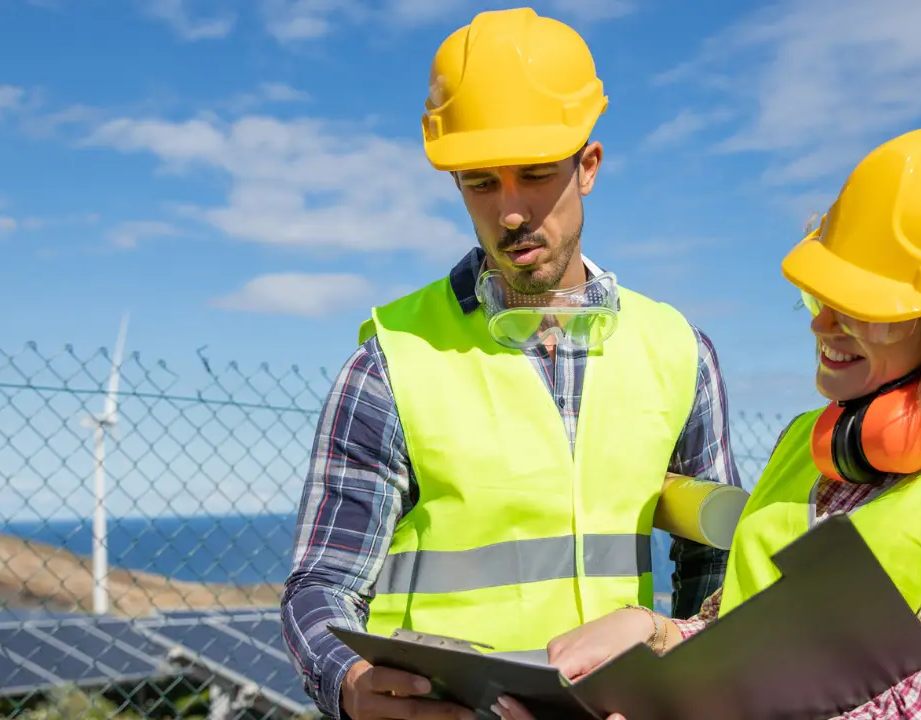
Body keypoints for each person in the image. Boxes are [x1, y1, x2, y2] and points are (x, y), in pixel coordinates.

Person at [493, 125, 921, 720]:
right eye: (822, 299)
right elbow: (747, 634)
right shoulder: (803, 446)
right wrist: (657, 631)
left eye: (862, 309)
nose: (821, 326)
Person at [279, 7, 742, 720]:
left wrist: (683, 689)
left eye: (535, 174)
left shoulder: (680, 351)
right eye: (481, 183)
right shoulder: (391, 364)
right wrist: (349, 683)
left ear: (588, 166)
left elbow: (716, 568)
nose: (513, 211)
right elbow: (320, 583)